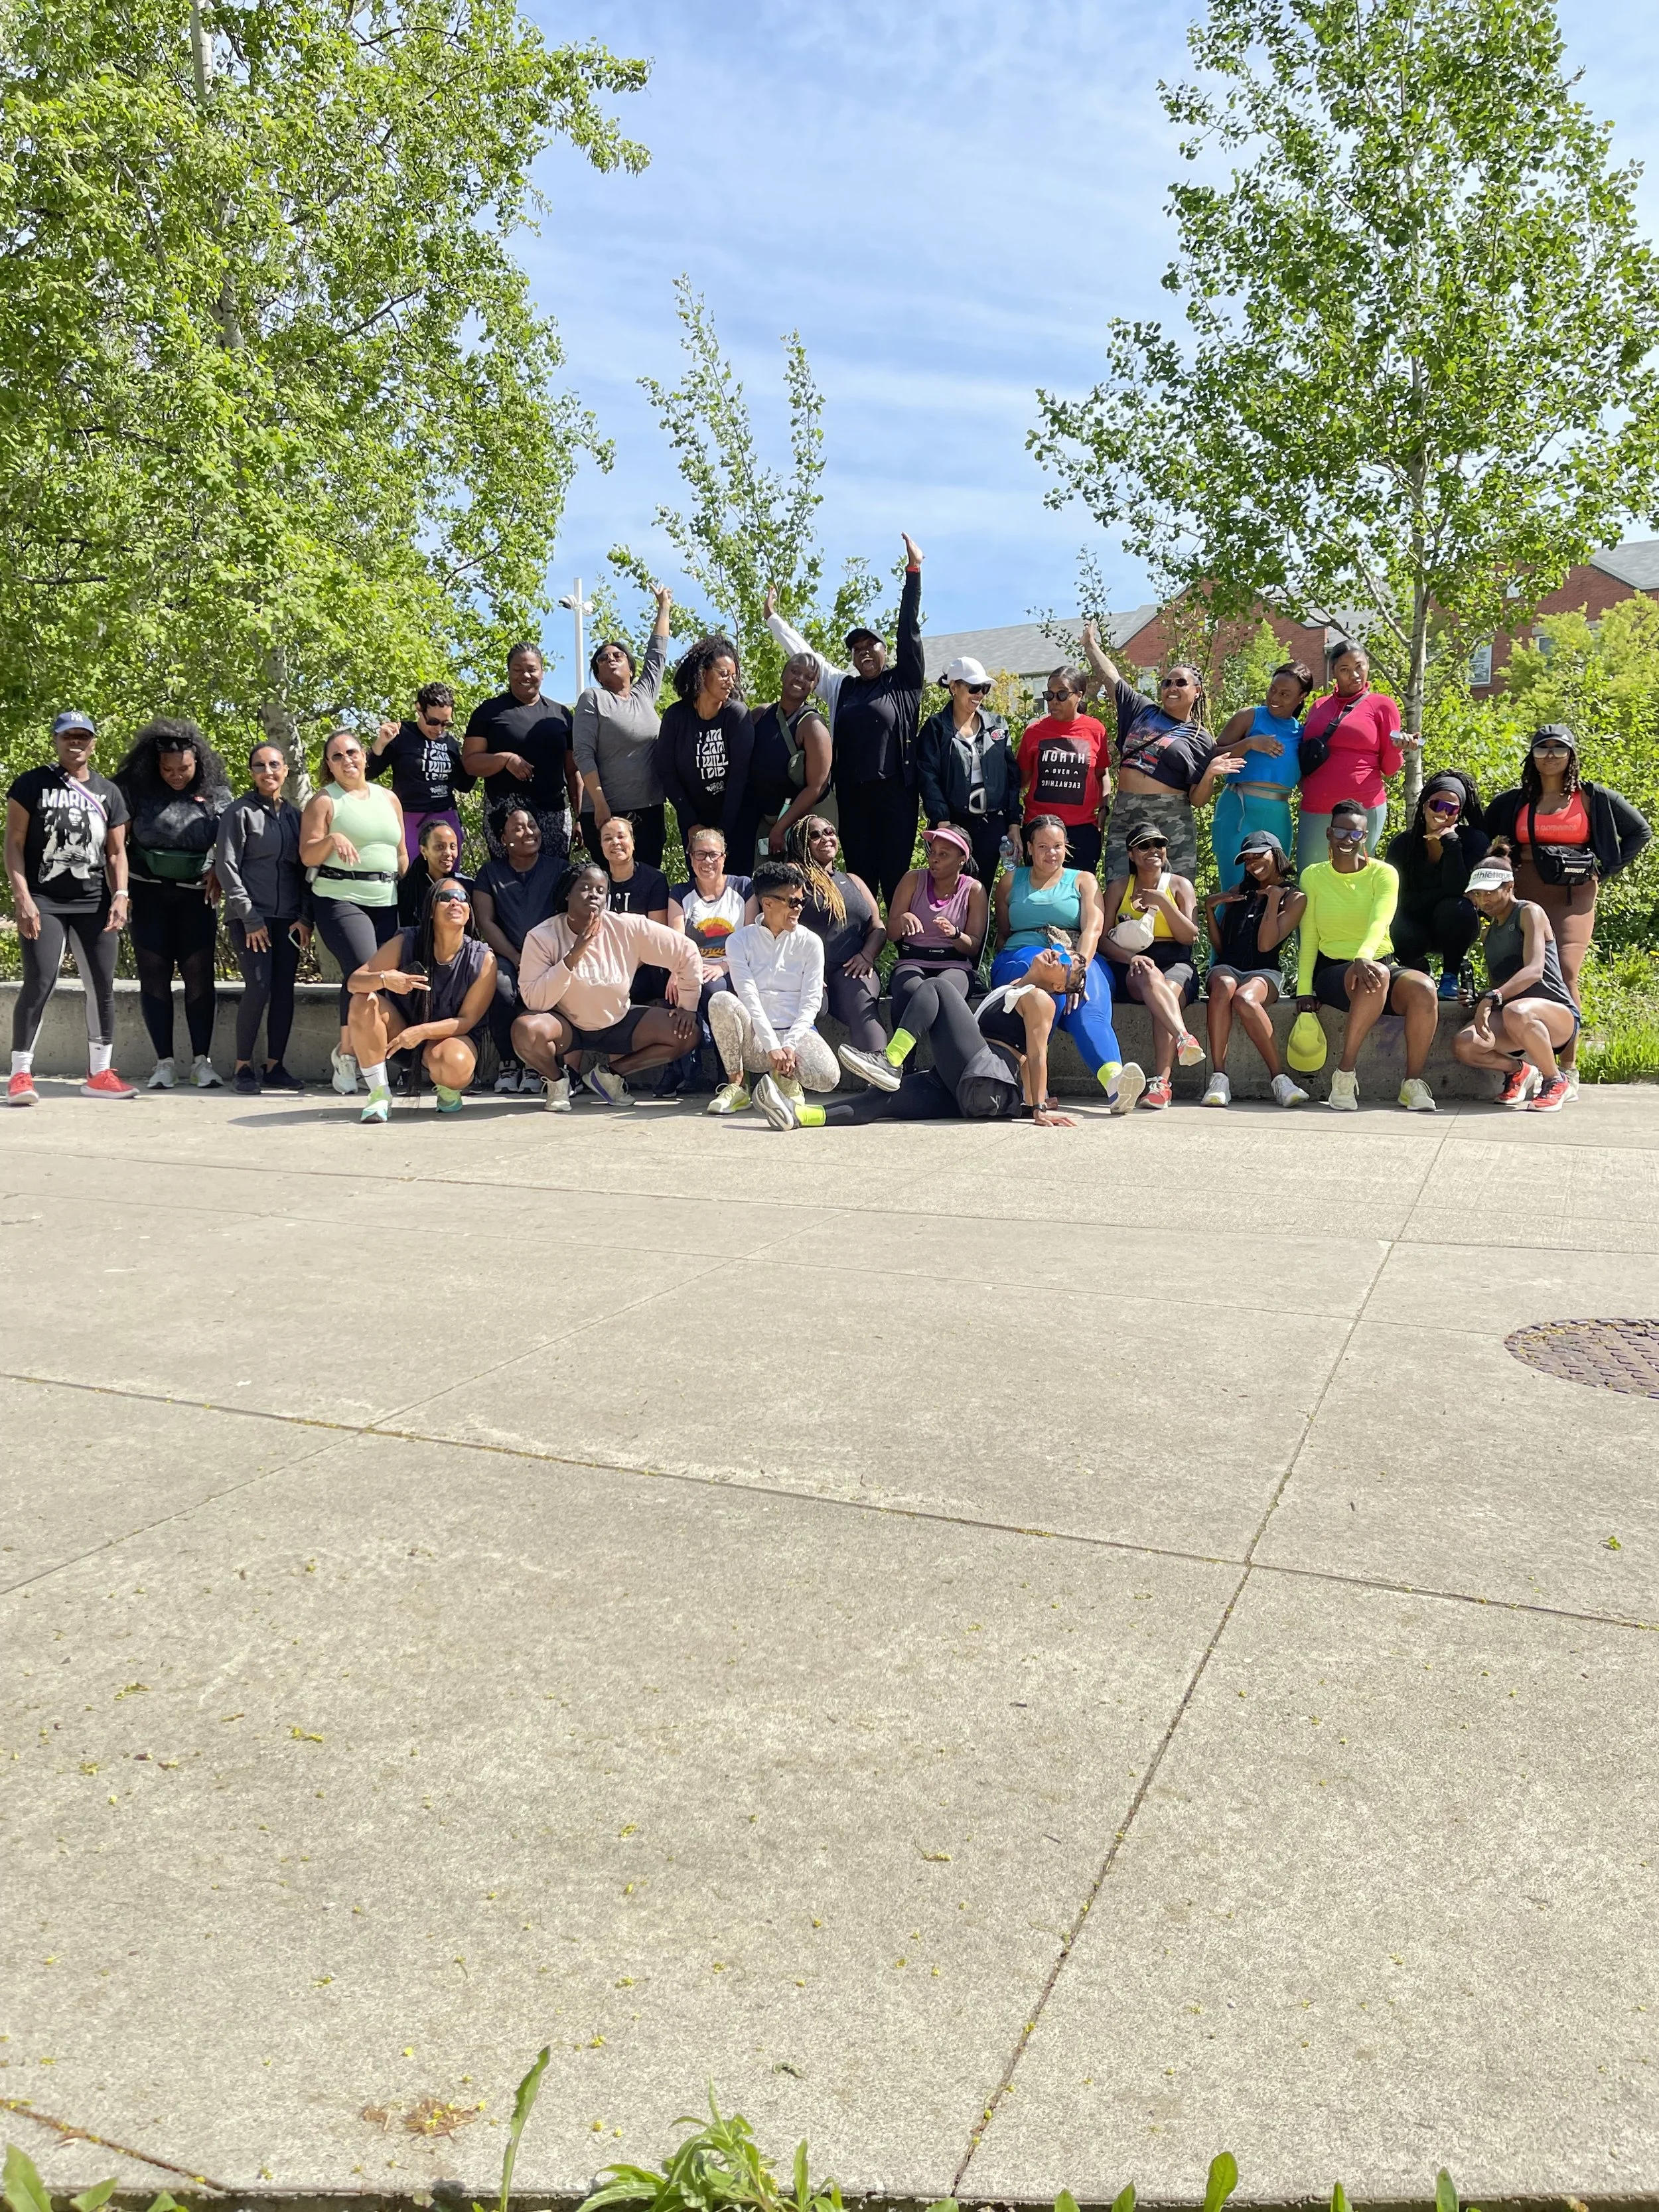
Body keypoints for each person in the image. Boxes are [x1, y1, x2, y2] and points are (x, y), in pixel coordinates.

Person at [765, 534, 926, 905]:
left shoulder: (903, 682)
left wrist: (913, 572)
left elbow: (909, 630)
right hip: (853, 798)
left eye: (871, 646)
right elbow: (806, 658)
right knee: (859, 878)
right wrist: (774, 620)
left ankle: (901, 954)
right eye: (856, 649)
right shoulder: (843, 688)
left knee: (896, 877)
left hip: (896, 795)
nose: (864, 653)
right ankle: (862, 951)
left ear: (885, 651)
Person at [764, 952, 1078, 1130]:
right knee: (884, 1097)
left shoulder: (1041, 1000)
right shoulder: (1012, 988)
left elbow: (1037, 1055)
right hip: (963, 1082)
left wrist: (1037, 1108)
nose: (1058, 953)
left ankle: (891, 1060)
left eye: (1067, 962)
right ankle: (799, 1116)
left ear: (1059, 986)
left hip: (986, 1080)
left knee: (937, 987)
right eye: (1060, 948)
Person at [1484, 725, 1651, 1041]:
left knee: (1564, 970)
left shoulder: (1593, 797)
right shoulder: (1514, 801)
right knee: (1515, 971)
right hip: (1524, 893)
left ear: (1571, 755)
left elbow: (1640, 832)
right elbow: (1481, 834)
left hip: (1573, 896)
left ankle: (1568, 1065)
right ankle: (1522, 1058)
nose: (1550, 755)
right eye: (1542, 748)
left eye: (1559, 748)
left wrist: (1606, 870)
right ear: (1531, 756)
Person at [6, 709, 136, 1104]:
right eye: (68, 736)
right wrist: (22, 897)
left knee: (102, 986)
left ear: (93, 742)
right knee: (40, 981)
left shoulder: (109, 792)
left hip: (94, 901)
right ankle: (21, 1074)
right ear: (56, 739)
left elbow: (116, 852)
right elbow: (13, 843)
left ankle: (99, 1073)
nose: (75, 742)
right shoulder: (31, 784)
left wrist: (121, 895)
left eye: (83, 736)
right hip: (44, 899)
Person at [513, 861, 702, 1109]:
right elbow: (534, 1000)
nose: (594, 894)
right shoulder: (542, 937)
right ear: (567, 892)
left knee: (687, 1033)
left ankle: (609, 1076)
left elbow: (685, 950)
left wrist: (688, 1005)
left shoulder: (627, 927)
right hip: (567, 1026)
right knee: (525, 1030)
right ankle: (558, 1082)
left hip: (619, 1022)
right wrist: (573, 955)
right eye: (585, 888)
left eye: (601, 890)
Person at [989, 814, 1144, 1112]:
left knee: (1088, 1005)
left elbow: (1093, 928)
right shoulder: (1010, 882)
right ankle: (1035, 1090)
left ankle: (1116, 1083)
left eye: (1058, 846)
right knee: (1046, 996)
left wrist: (1078, 971)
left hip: (1077, 954)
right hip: (1022, 953)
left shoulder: (1084, 880)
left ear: (1067, 847)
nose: (1051, 853)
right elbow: (1004, 930)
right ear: (1030, 848)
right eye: (1043, 846)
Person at [1295, 798, 1439, 1111]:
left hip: (1378, 963)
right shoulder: (1313, 876)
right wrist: (1304, 989)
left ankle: (1412, 1084)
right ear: (1329, 834)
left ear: (1366, 836)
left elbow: (1380, 919)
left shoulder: (1384, 874)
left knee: (1424, 988)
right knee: (1378, 976)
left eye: (1356, 834)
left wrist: (1365, 955)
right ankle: (1344, 1076)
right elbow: (1309, 935)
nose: (1348, 840)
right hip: (1335, 972)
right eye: (1341, 832)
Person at [114, 717, 232, 1089]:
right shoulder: (134, 789)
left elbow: (231, 839)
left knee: (200, 978)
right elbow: (116, 844)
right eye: (168, 769)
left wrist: (219, 869)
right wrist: (120, 891)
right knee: (154, 979)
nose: (176, 776)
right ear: (155, 765)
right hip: (148, 893)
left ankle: (202, 1061)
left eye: (184, 768)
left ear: (198, 761)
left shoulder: (217, 791)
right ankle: (163, 1062)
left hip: (196, 895)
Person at [1080, 620, 1243, 881]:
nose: (1172, 688)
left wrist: (1210, 774)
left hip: (1170, 815)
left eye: (1180, 683)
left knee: (1176, 885)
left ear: (1197, 691)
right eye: (1167, 683)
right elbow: (1112, 678)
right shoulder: (1142, 710)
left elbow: (1198, 800)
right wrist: (1091, 646)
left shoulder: (1201, 738)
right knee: (1118, 880)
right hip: (1126, 809)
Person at [300, 726, 407, 1096]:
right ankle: (352, 1058)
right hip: (340, 898)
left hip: (386, 899)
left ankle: (356, 1053)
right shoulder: (325, 801)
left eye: (352, 753)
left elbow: (401, 853)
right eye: (337, 756)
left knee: (366, 977)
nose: (347, 760)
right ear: (329, 766)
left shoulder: (389, 798)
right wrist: (331, 839)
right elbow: (307, 854)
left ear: (364, 755)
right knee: (365, 973)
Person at [344, 881, 498, 1125]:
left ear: (469, 912)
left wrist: (422, 1032)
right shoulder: (407, 940)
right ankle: (379, 1094)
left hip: (448, 1039)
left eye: (462, 897)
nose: (455, 902)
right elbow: (354, 982)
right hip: (400, 1036)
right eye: (446, 897)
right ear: (431, 910)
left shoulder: (483, 959)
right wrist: (385, 979)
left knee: (454, 1064)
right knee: (363, 1001)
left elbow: (467, 1021)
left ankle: (448, 1090)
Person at [1452, 843, 1579, 1113]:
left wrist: (1494, 997)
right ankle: (1519, 1072)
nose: (1483, 901)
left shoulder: (1529, 912)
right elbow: (1501, 986)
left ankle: (1556, 1080)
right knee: (1466, 1045)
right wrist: (1480, 998)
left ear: (1509, 887)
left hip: (1555, 1016)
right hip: (1515, 1016)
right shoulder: (1489, 934)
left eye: (1489, 893)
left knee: (1516, 1011)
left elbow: (1534, 970)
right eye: (1477, 895)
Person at [705, 859, 839, 1116]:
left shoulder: (811, 942)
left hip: (795, 1036)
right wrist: (771, 1047)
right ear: (767, 903)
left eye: (802, 901)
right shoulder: (739, 941)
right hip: (756, 1040)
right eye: (793, 902)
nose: (799, 908)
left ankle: (784, 1079)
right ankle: (737, 1087)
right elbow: (749, 998)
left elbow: (812, 1001)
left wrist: (788, 1045)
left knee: (828, 1077)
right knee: (721, 1000)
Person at [215, 742, 313, 1094]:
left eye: (274, 765)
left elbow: (306, 872)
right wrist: (250, 918)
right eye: (260, 766)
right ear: (252, 773)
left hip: (287, 920)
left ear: (286, 770)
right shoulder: (239, 812)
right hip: (250, 918)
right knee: (258, 986)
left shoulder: (297, 817)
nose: (268, 772)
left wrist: (305, 917)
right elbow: (226, 867)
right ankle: (243, 1067)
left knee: (284, 990)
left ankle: (275, 1066)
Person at [1100, 822, 1206, 1108]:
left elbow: (1190, 936)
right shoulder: (1119, 887)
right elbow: (1101, 938)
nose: (1153, 851)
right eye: (1144, 846)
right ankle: (1183, 1037)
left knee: (1166, 996)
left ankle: (1162, 1084)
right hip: (1132, 961)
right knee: (1149, 976)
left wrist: (1163, 902)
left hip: (1176, 961)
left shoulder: (1180, 885)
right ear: (1131, 854)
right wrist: (1130, 958)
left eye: (1159, 844)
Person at [1200, 829, 1308, 1107]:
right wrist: (1211, 910)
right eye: (1247, 859)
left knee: (1245, 999)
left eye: (1259, 855)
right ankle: (1219, 1078)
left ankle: (1280, 1080)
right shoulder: (1239, 892)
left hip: (1265, 973)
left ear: (1276, 854)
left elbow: (1266, 945)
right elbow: (1222, 948)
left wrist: (1273, 900)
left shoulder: (1295, 897)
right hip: (1227, 968)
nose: (1252, 863)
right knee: (1224, 986)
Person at [1295, 641, 1419, 867]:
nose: (1354, 674)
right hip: (1316, 805)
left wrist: (1397, 748)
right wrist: (1305, 784)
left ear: (1368, 666)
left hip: (1363, 809)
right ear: (1333, 672)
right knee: (1309, 877)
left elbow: (1390, 769)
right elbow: (1304, 751)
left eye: (1359, 666)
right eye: (1344, 669)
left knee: (1353, 880)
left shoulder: (1382, 706)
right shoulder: (1318, 706)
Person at [573, 585, 673, 865]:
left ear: (631, 668)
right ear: (598, 674)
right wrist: (601, 804)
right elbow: (583, 754)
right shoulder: (594, 698)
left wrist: (664, 607)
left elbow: (657, 654)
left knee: (648, 884)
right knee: (612, 888)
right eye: (603, 659)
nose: (611, 659)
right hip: (608, 812)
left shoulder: (644, 696)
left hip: (650, 810)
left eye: (618, 656)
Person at [463, 640, 581, 864]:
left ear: (542, 673)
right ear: (508, 673)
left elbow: (573, 770)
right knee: (509, 883)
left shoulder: (561, 714)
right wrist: (506, 760)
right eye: (517, 670)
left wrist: (580, 817)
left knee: (555, 883)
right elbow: (470, 762)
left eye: (531, 669)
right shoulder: (488, 712)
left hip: (554, 813)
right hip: (505, 815)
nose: (525, 675)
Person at [474, 803, 563, 1093]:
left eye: (532, 825)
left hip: (551, 957)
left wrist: (539, 959)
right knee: (499, 984)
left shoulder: (559, 870)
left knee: (543, 989)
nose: (529, 832)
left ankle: (535, 1064)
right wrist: (516, 957)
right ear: (503, 839)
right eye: (519, 827)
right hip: (507, 955)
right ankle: (509, 1063)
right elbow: (486, 922)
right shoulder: (490, 874)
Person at [784, 814, 887, 1058]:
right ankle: (793, 1078)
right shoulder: (794, 875)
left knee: (863, 1002)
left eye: (830, 832)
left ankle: (882, 1073)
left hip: (850, 966)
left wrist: (867, 955)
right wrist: (801, 969)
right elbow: (778, 925)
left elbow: (878, 926)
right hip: (806, 968)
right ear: (801, 844)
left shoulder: (853, 880)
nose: (825, 838)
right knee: (813, 1007)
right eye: (815, 835)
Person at [1383, 771, 1489, 1001]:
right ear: (1424, 806)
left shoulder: (1474, 842)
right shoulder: (1403, 845)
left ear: (1459, 814)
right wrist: (1447, 894)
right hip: (1413, 926)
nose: (1442, 813)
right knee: (1395, 920)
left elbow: (1458, 891)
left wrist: (1451, 843)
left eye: (1451, 809)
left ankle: (1450, 977)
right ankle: (1418, 971)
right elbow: (1397, 900)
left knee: (1458, 908)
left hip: (1455, 927)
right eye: (1436, 804)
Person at [916, 656, 1019, 888]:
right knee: (949, 889)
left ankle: (978, 927)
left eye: (985, 688)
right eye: (974, 688)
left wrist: (1014, 823)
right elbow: (927, 777)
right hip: (953, 822)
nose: (980, 694)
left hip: (992, 823)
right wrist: (943, 823)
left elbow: (1012, 777)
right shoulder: (936, 728)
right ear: (954, 687)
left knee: (982, 890)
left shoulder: (998, 725)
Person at [666, 826, 755, 1093]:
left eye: (713, 855)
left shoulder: (744, 887)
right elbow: (677, 943)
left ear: (724, 857)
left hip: (734, 966)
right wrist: (675, 972)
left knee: (716, 991)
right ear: (691, 858)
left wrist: (723, 966)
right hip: (693, 968)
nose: (707, 861)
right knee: (678, 990)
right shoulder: (680, 893)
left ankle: (728, 1072)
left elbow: (750, 941)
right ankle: (682, 1065)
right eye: (700, 855)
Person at [1210, 662, 1313, 887]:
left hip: (1278, 815)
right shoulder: (1249, 717)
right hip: (1238, 810)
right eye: (1272, 690)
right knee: (1235, 886)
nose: (1275, 697)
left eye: (1285, 694)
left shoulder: (1303, 733)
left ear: (1302, 696)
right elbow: (1212, 756)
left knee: (1272, 886)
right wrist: (1249, 743)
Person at [652, 634, 755, 847]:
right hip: (693, 824)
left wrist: (721, 832)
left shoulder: (737, 715)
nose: (731, 682)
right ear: (703, 672)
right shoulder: (676, 716)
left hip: (735, 821)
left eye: (734, 676)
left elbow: (739, 778)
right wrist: (692, 822)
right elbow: (666, 771)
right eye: (724, 674)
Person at [885, 824, 989, 1031]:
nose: (934, 858)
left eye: (943, 854)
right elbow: (891, 933)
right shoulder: (913, 879)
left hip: (954, 963)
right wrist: (903, 919)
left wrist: (956, 934)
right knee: (910, 991)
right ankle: (904, 1063)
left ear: (962, 860)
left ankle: (938, 1063)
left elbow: (973, 947)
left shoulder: (974, 890)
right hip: (913, 960)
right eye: (932, 852)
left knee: (943, 991)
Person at [734, 652, 833, 865]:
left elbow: (816, 787)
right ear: (783, 675)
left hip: (805, 822)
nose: (800, 679)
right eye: (795, 671)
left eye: (809, 677)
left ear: (815, 686)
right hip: (766, 818)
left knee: (806, 886)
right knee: (765, 884)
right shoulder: (760, 715)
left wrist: (781, 827)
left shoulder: (812, 725)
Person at [1016, 664, 1112, 875]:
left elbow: (1102, 774)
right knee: (1040, 898)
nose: (1053, 701)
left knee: (1080, 896)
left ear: (1079, 695)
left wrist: (1104, 808)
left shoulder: (1096, 730)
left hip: (1082, 830)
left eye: (1061, 694)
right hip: (1040, 828)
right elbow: (1019, 783)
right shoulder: (1034, 732)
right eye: (1049, 695)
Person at [369, 682, 474, 859]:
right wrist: (381, 744)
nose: (439, 729)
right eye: (433, 722)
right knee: (411, 878)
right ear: (419, 709)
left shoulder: (450, 743)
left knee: (446, 877)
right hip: (410, 817)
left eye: (445, 724)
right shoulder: (402, 734)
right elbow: (369, 773)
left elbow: (464, 785)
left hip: (445, 817)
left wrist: (474, 758)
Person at [599, 812, 672, 1007]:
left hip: (643, 966)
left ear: (633, 841)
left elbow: (655, 936)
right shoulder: (595, 882)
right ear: (601, 847)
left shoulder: (654, 880)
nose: (615, 842)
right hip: (602, 963)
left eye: (621, 836)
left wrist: (621, 969)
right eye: (608, 838)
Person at [396, 815, 472, 928]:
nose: (448, 853)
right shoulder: (408, 889)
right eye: (440, 847)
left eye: (453, 847)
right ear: (423, 850)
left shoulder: (467, 887)